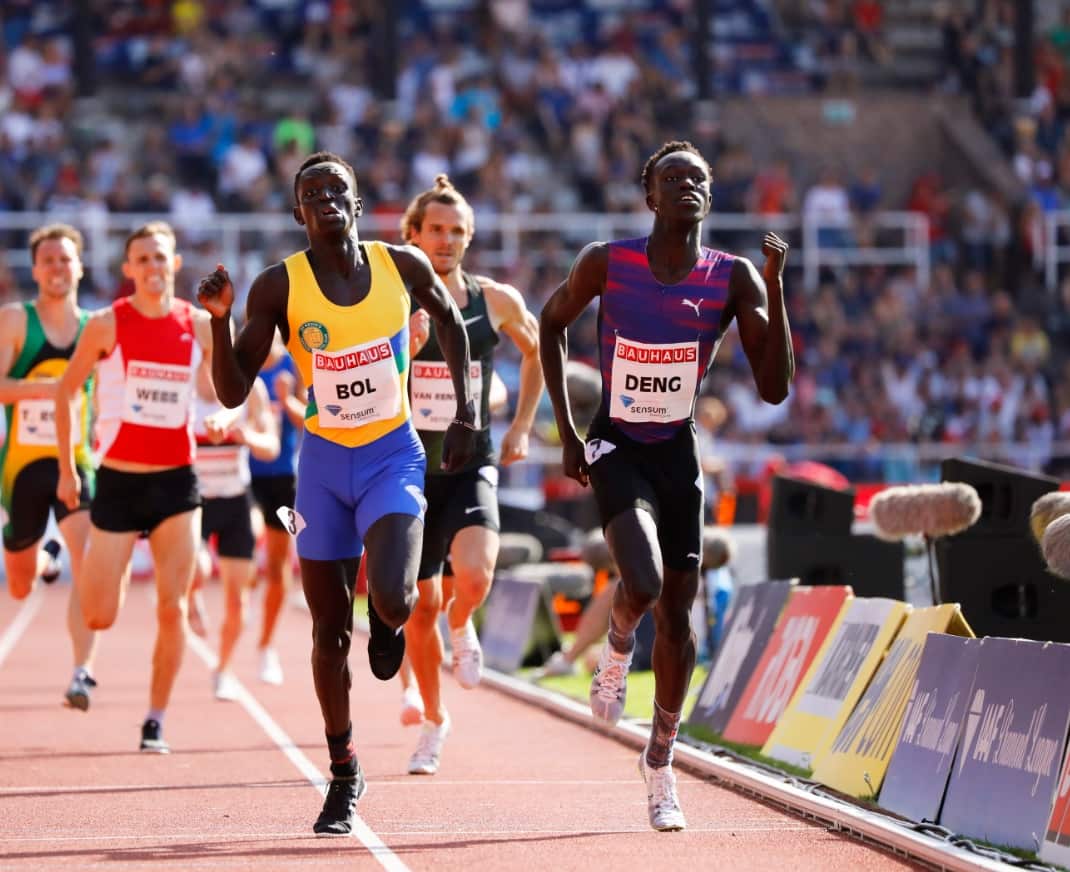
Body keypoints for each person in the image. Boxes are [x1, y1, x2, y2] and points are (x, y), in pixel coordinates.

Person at [196, 151, 476, 835]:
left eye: (337, 189)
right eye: (311, 191)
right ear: (298, 212)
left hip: (392, 456)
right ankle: (344, 773)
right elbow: (233, 391)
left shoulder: (399, 267)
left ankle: (385, 621)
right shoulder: (277, 286)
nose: (325, 197)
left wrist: (466, 412)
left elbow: (453, 324)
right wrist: (219, 320)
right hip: (320, 467)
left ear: (356, 203)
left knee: (395, 596)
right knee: (326, 632)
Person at [539, 140, 793, 832]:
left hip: (677, 451)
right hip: (616, 441)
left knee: (678, 619)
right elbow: (551, 324)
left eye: (699, 178)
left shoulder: (732, 275)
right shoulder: (606, 261)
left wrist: (775, 290)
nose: (687, 185)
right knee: (644, 585)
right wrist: (567, 431)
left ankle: (660, 762)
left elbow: (774, 389)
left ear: (709, 196)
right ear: (649, 194)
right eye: (672, 177)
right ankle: (617, 642)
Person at [397, 174, 543, 775]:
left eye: (458, 231)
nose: (447, 239)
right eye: (436, 229)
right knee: (417, 608)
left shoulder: (495, 300)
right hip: (406, 466)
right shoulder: (392, 299)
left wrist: (523, 427)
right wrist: (399, 346)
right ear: (413, 234)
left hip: (471, 459)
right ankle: (434, 721)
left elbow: (540, 350)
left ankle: (466, 623)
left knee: (476, 575)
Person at [55, 221, 213, 754]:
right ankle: (107, 588)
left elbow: (218, 390)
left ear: (175, 263)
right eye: (141, 259)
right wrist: (68, 466)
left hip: (177, 484)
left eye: (160, 257)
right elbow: (66, 393)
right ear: (129, 269)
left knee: (172, 608)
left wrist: (223, 417)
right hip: (119, 481)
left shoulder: (199, 323)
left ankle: (155, 719)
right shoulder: (106, 324)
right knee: (102, 613)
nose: (152, 267)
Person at [0, 223, 99, 710]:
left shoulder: (95, 328)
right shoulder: (16, 321)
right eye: (49, 260)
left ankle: (82, 671)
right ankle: (43, 559)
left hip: (78, 462)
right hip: (23, 466)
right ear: (36, 269)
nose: (58, 268)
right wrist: (53, 390)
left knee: (90, 560)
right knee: (19, 584)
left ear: (79, 266)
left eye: (66, 259)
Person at [190, 360, 280, 700]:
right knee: (196, 568)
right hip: (194, 500)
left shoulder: (250, 389)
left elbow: (270, 445)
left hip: (235, 498)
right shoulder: (186, 386)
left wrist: (248, 437)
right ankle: (191, 597)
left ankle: (223, 669)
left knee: (237, 601)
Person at [247, 332, 306, 685]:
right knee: (251, 537)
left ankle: (266, 645)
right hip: (243, 475)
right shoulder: (245, 365)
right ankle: (245, 580)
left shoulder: (292, 365)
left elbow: (307, 422)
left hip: (284, 478)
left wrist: (287, 400)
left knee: (279, 565)